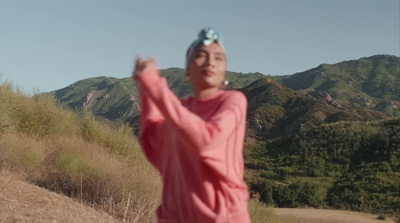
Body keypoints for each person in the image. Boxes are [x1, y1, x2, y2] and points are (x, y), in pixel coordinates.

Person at [132, 27, 251, 223]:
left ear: (224, 73)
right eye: (201, 56)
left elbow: (206, 140)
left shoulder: (233, 102)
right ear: (187, 69)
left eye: (218, 58)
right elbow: (153, 140)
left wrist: (155, 85)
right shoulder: (180, 109)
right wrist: (146, 87)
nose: (210, 62)